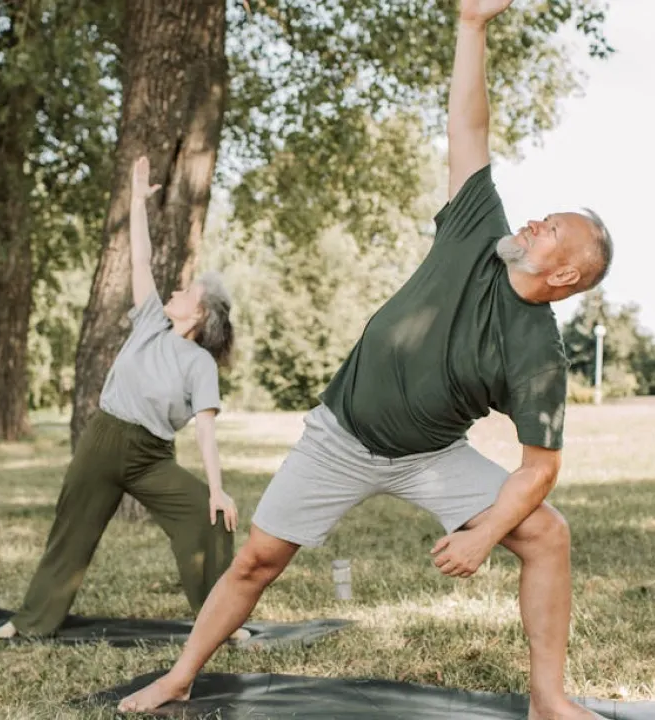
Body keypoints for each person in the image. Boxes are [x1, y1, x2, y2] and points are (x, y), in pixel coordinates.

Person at [119, 0, 614, 716]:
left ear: (564, 276)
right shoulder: (479, 230)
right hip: (340, 434)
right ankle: (178, 677)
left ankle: (548, 700)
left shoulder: (538, 351)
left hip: (429, 455)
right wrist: (471, 26)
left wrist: (487, 535)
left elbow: (540, 469)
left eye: (551, 232)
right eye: (543, 216)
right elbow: (467, 128)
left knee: (547, 535)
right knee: (257, 561)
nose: (535, 223)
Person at [0, 155, 240, 639]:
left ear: (199, 313)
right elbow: (141, 258)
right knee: (71, 531)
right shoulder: (150, 320)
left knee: (207, 516)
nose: (175, 289)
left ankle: (221, 624)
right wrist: (136, 200)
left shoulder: (200, 364)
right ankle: (31, 623)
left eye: (186, 290)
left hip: (150, 457)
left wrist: (216, 488)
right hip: (104, 441)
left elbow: (206, 430)